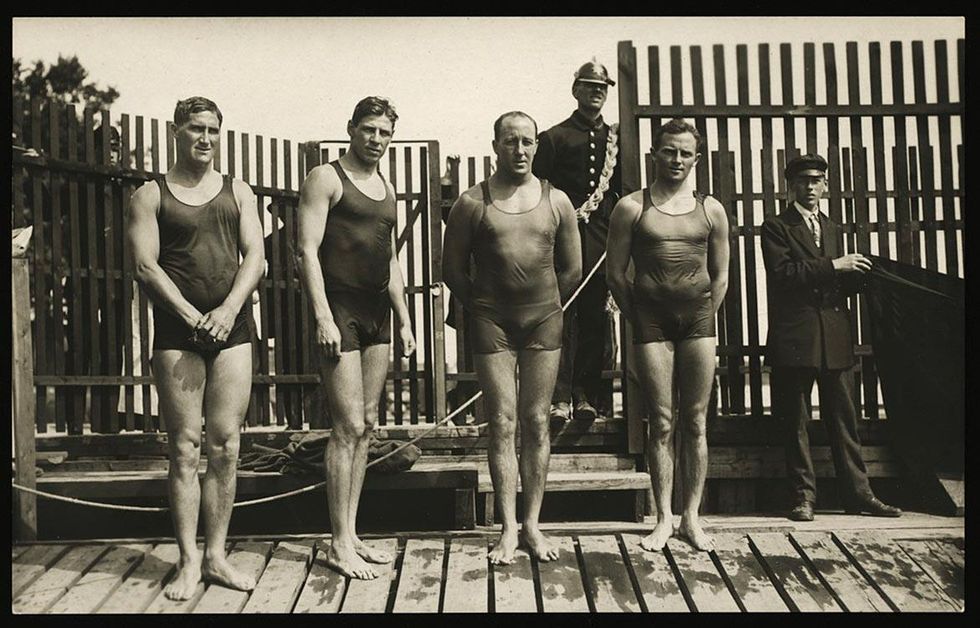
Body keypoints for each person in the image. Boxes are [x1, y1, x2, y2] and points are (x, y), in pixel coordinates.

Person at [128, 96, 264, 599]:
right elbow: (146, 266)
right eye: (195, 129)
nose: (205, 138)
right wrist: (191, 317)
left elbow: (257, 257)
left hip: (233, 329)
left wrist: (227, 312)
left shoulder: (239, 191)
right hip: (177, 333)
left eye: (213, 130)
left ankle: (217, 556)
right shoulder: (150, 194)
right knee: (184, 447)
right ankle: (188, 560)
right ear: (176, 132)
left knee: (226, 445)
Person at [443, 111, 582, 565]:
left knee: (537, 420)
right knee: (502, 422)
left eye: (526, 141)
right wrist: (484, 307)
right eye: (510, 142)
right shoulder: (471, 202)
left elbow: (572, 269)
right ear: (495, 146)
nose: (519, 150)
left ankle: (533, 525)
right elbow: (452, 270)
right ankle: (506, 528)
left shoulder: (556, 200)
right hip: (493, 324)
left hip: (543, 320)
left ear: (537, 146)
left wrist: (546, 306)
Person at [296, 96, 416, 580]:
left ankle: (351, 533)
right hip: (340, 309)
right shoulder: (326, 178)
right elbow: (305, 249)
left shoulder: (386, 186)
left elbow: (389, 262)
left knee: (366, 424)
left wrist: (405, 320)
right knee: (345, 426)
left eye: (385, 132)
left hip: (376, 314)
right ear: (351, 128)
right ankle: (336, 542)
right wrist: (322, 316)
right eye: (369, 129)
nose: (377, 139)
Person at [607, 118, 730, 551]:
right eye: (668, 151)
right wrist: (639, 315)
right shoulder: (631, 207)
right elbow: (615, 273)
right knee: (660, 421)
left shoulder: (711, 208)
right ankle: (663, 517)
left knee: (695, 420)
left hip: (697, 322)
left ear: (696, 159)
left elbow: (721, 275)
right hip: (651, 324)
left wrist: (702, 315)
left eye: (684, 153)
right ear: (653, 155)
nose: (676, 159)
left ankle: (692, 518)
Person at [761, 153, 902, 522]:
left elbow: (837, 284)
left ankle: (859, 495)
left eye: (817, 180)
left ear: (826, 185)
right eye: (803, 180)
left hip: (836, 336)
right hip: (796, 337)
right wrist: (835, 266)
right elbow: (783, 274)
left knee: (845, 419)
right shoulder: (776, 226)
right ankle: (803, 498)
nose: (810, 187)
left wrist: (862, 277)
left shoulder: (835, 229)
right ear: (790, 186)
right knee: (796, 421)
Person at [533, 60, 622, 422]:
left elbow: (620, 193)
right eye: (589, 85)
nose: (597, 91)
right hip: (562, 243)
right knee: (561, 319)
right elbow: (537, 191)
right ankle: (559, 397)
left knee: (594, 321)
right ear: (576, 91)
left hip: (600, 244)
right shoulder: (554, 138)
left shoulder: (617, 140)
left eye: (602, 86)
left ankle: (587, 396)